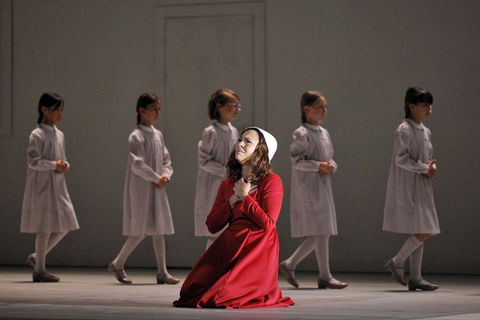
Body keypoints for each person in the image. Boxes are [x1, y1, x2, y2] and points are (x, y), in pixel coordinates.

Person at [174, 127, 294, 308]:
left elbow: (269, 225)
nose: (240, 144)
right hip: (232, 242)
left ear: (261, 151)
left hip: (258, 245)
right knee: (190, 291)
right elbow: (212, 225)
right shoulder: (227, 184)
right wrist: (233, 199)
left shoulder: (271, 180)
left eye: (248, 141)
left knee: (219, 297)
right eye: (240, 139)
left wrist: (245, 198)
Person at [108, 93, 178, 285]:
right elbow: (137, 164)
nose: (157, 113)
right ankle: (118, 262)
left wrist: (166, 176)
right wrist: (157, 178)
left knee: (159, 229)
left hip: (157, 186)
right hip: (142, 187)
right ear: (142, 111)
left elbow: (167, 160)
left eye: (159, 109)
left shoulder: (158, 135)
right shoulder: (136, 136)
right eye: (153, 109)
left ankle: (162, 272)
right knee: (141, 229)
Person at [279, 91, 347, 289]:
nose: (324, 111)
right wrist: (319, 166)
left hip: (323, 185)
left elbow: (330, 158)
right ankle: (323, 275)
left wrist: (331, 166)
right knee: (321, 230)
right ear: (306, 109)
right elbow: (296, 161)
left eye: (325, 107)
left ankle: (291, 264)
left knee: (322, 230)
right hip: (308, 188)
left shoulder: (324, 133)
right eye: (319, 107)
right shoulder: (302, 133)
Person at [384, 87, 440, 291]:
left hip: (422, 184)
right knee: (425, 228)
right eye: (425, 104)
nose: (429, 108)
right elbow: (401, 159)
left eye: (430, 104)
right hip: (409, 185)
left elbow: (426, 157)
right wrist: (425, 168)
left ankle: (416, 276)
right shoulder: (404, 129)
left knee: (421, 228)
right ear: (412, 106)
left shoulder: (425, 131)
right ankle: (398, 261)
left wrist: (430, 167)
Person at [21, 92, 79, 282]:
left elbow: (63, 158)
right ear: (44, 109)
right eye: (56, 110)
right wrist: (54, 165)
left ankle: (38, 257)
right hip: (43, 186)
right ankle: (39, 270)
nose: (60, 114)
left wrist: (63, 165)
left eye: (62, 110)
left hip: (58, 184)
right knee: (44, 227)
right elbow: (33, 161)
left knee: (67, 222)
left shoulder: (59, 134)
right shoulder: (37, 134)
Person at [194, 89, 240, 250]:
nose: (237, 109)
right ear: (219, 106)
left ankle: (222, 271)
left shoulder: (234, 131)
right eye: (233, 105)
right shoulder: (211, 132)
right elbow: (204, 160)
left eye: (238, 105)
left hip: (231, 185)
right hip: (213, 185)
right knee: (216, 230)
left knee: (230, 228)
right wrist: (224, 171)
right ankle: (205, 271)